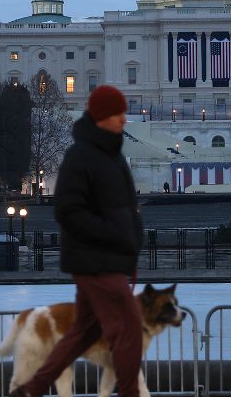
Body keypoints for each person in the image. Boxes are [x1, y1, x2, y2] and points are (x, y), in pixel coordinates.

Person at [11, 85, 144, 397]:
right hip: (96, 260)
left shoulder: (110, 155)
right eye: (117, 113)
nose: (124, 118)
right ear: (101, 117)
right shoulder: (81, 156)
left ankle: (33, 388)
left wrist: (130, 237)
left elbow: (123, 208)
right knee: (128, 327)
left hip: (107, 258)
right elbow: (68, 211)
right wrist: (114, 235)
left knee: (82, 333)